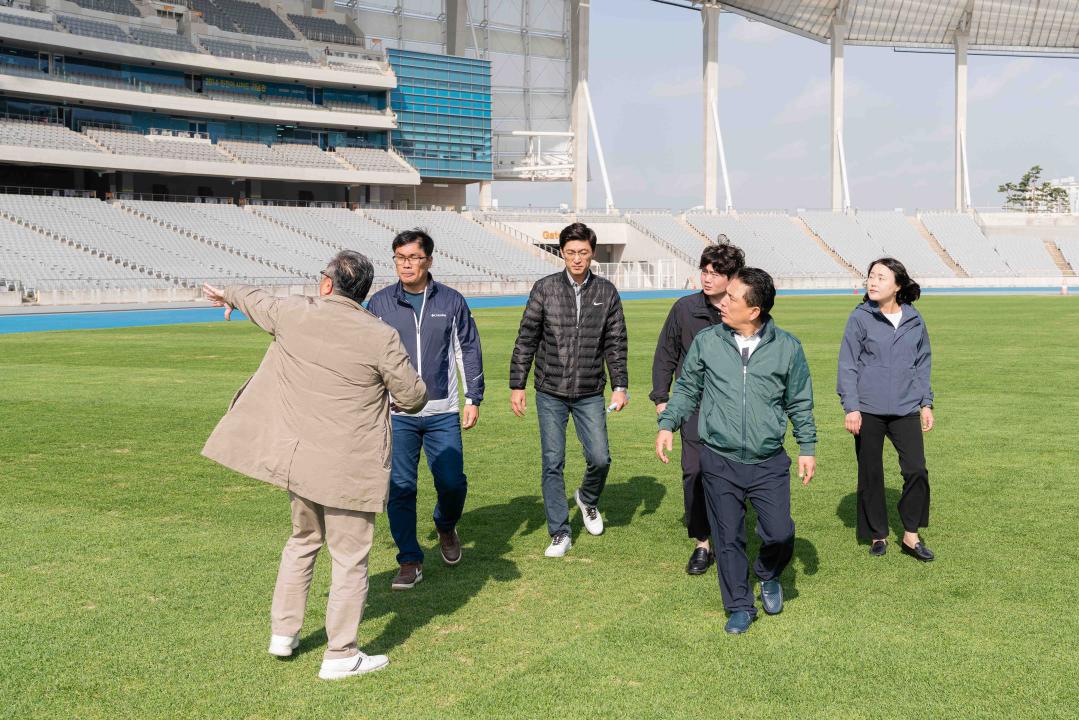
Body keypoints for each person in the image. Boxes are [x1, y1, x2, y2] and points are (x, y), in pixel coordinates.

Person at [201, 251, 427, 680]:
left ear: (326, 284)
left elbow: (254, 298)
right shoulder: (379, 335)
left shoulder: (293, 313)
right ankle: (340, 653)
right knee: (348, 557)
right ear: (363, 292)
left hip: (301, 461)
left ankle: (283, 634)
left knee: (303, 540)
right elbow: (414, 396)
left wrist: (226, 292)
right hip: (348, 465)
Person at [655, 267, 816, 635]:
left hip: (768, 461)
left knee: (779, 533)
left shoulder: (788, 347)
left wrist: (807, 446)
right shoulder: (708, 341)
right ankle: (740, 605)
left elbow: (800, 402)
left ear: (754, 310)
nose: (722, 303)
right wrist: (667, 425)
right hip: (719, 458)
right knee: (727, 538)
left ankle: (768, 573)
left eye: (731, 299)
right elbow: (688, 388)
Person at [366, 229, 485, 591]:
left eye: (414, 257)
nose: (406, 264)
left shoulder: (451, 302)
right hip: (396, 413)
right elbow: (368, 356)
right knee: (400, 487)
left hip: (442, 411)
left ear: (429, 261)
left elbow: (468, 350)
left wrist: (472, 398)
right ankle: (410, 560)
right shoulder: (380, 304)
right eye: (400, 258)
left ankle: (445, 525)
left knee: (451, 482)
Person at [509, 222, 629, 557]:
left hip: (591, 391)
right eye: (571, 252)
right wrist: (517, 384)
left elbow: (616, 343)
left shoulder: (606, 292)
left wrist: (620, 386)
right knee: (552, 462)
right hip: (550, 391)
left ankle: (588, 499)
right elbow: (526, 338)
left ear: (592, 254)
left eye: (583, 252)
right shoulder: (545, 288)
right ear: (561, 252)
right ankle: (560, 532)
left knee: (600, 458)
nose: (577, 258)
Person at [651, 240, 745, 576]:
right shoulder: (683, 309)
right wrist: (662, 397)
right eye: (704, 271)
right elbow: (666, 354)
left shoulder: (744, 309)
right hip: (692, 406)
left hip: (735, 409)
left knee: (732, 474)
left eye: (715, 273)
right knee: (694, 472)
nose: (707, 278)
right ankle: (702, 544)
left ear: (732, 278)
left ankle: (730, 537)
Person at [837, 257, 935, 561]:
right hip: (868, 409)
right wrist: (851, 407)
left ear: (898, 285)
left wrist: (926, 402)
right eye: (870, 276)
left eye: (881, 277)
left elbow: (922, 364)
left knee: (916, 469)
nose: (873, 282)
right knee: (871, 473)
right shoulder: (860, 318)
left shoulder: (915, 320)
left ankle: (910, 535)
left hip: (906, 407)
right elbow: (848, 364)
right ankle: (878, 534)